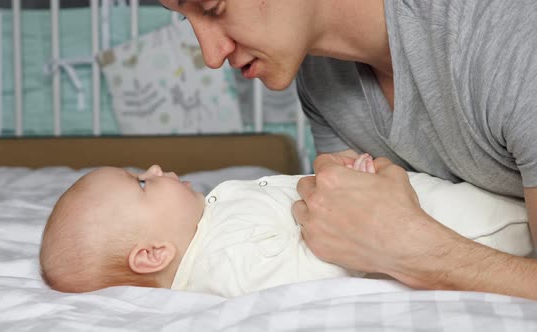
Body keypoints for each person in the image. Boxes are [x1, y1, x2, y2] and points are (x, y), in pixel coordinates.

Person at [157, 0, 537, 299]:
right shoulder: (321, 81)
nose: (211, 55)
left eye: (212, 8)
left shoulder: (508, 38)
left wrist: (417, 251)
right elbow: (355, 256)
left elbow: (390, 245)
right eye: (184, 18)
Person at [40, 156, 531, 297]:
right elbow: (320, 264)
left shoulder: (212, 223)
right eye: (140, 185)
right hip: (463, 233)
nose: (153, 170)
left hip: (423, 206)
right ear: (153, 254)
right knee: (505, 218)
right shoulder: (228, 262)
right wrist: (358, 195)